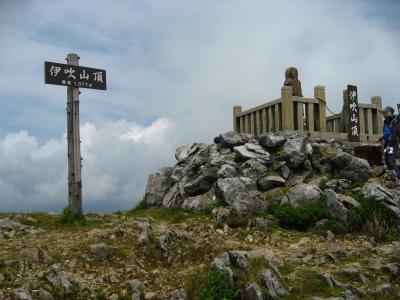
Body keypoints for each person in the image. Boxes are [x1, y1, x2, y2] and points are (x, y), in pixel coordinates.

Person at [378, 106, 400, 178]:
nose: (383, 115)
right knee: (387, 160)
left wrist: (389, 146)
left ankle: (397, 176)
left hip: (392, 144)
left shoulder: (394, 121)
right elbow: (386, 134)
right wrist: (380, 139)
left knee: (391, 160)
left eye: (384, 113)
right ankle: (392, 176)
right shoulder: (385, 121)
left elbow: (394, 135)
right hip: (386, 143)